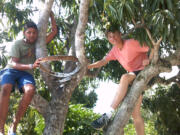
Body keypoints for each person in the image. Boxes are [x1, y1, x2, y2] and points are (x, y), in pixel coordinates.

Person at [0, 11, 58, 135]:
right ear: (24, 33)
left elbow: (53, 32)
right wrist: (31, 65)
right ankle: (0, 129)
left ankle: (13, 126)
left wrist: (51, 16)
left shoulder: (38, 44)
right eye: (29, 32)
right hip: (11, 70)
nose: (32, 35)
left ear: (37, 34)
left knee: (30, 90)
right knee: (5, 88)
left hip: (26, 74)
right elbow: (14, 63)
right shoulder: (17, 44)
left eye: (34, 32)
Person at [88, 28, 153, 135]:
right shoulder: (114, 51)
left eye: (115, 35)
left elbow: (151, 46)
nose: (113, 38)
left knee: (124, 77)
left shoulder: (131, 43)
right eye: (110, 36)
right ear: (108, 39)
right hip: (135, 79)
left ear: (120, 34)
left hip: (143, 73)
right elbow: (104, 61)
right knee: (136, 115)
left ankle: (107, 114)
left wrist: (149, 60)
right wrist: (88, 66)